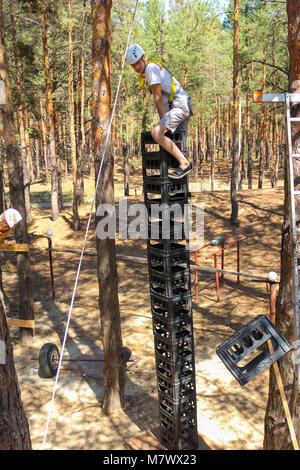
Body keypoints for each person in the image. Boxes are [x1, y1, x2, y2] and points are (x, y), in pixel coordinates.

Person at [125, 43, 193, 179]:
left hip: (180, 105)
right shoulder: (150, 70)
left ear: (144, 57)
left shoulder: (150, 68)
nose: (136, 67)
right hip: (180, 105)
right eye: (133, 65)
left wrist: (163, 122)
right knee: (175, 144)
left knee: (157, 133)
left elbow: (158, 99)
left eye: (138, 63)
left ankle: (185, 163)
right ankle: (179, 174)